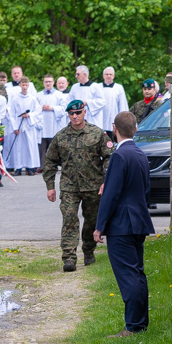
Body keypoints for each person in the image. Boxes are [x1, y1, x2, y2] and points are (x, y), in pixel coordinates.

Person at [93, 111, 154, 337]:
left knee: (128, 275)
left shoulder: (119, 156)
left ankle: (133, 326)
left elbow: (112, 194)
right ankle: (140, 323)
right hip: (138, 220)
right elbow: (145, 189)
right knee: (137, 273)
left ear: (114, 129)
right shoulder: (139, 153)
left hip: (122, 224)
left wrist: (100, 226)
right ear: (136, 130)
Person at [43, 99, 114, 272]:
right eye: (71, 114)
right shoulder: (61, 136)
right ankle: (69, 257)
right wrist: (50, 186)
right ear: (68, 115)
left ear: (84, 112)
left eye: (78, 113)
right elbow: (50, 161)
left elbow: (109, 157)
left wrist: (106, 180)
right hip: (69, 186)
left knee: (91, 221)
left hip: (93, 186)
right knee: (69, 219)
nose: (75, 116)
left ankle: (88, 251)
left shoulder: (97, 134)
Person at [4, 78, 42, 175]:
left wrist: (29, 115)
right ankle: (18, 167)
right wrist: (15, 127)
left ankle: (30, 167)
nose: (24, 87)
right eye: (23, 85)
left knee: (30, 146)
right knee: (19, 147)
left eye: (26, 85)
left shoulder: (32, 98)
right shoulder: (15, 98)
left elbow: (38, 111)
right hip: (19, 124)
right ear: (20, 85)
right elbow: (12, 113)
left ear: (28, 86)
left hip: (29, 125)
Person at [36, 74, 67, 167]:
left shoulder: (59, 95)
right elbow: (34, 108)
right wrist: (40, 108)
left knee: (53, 147)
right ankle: (42, 166)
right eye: (46, 81)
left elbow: (64, 108)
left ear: (53, 82)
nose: (48, 83)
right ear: (43, 83)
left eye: (50, 81)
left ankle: (53, 166)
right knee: (42, 147)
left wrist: (52, 108)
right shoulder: (38, 95)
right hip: (42, 125)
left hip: (54, 124)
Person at [100, 67, 128, 136]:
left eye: (110, 74)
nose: (108, 76)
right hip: (100, 121)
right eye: (106, 74)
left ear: (114, 76)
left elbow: (123, 105)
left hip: (113, 120)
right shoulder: (97, 87)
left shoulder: (119, 88)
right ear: (103, 76)